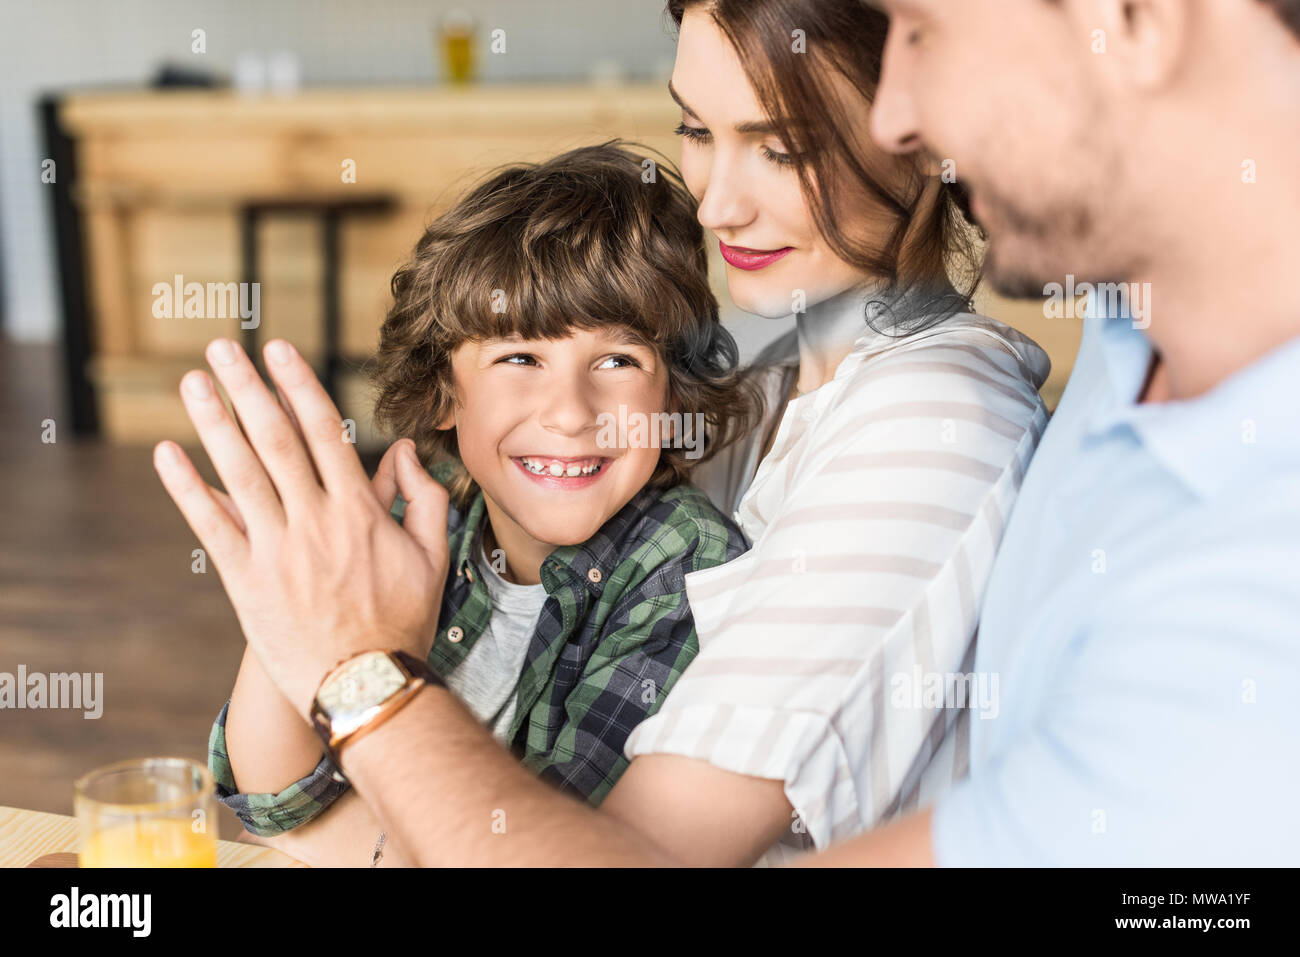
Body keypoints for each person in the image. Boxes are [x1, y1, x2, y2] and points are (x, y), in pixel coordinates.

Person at [154, 0, 1060, 866]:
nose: (715, 208)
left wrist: (354, 668)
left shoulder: (932, 425)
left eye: (780, 150)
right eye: (698, 130)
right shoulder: (762, 391)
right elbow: (285, 800)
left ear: (926, 124)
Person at [203, 143, 757, 861]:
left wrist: (330, 836)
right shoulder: (421, 523)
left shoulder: (685, 570)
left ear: (671, 391)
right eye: (520, 358)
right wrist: (289, 585)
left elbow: (543, 849)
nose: (570, 412)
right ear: (442, 392)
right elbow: (269, 795)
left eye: (619, 361)